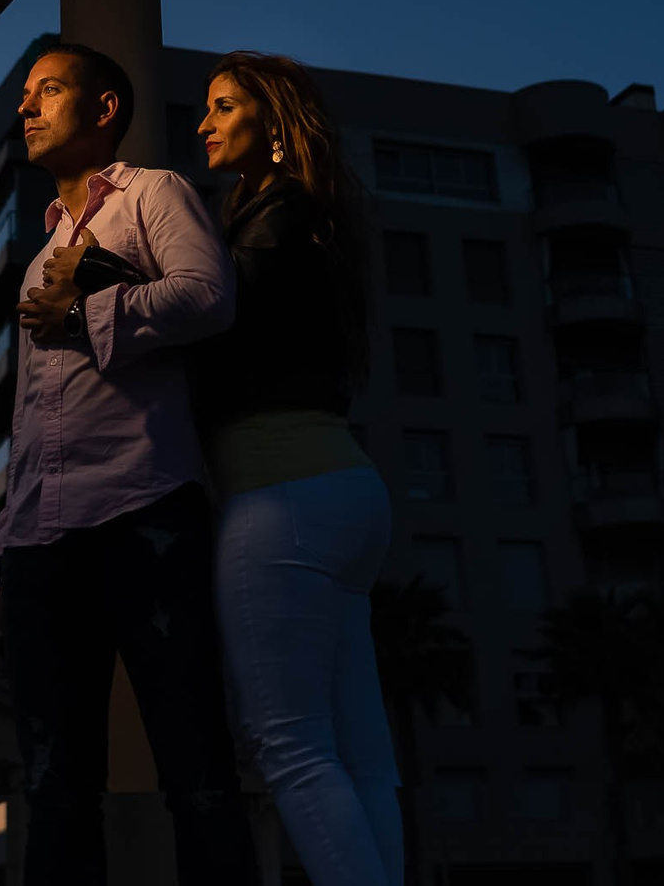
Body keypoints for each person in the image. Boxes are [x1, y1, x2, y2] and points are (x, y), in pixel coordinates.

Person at [0, 40, 261, 886]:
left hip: (146, 517)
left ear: (103, 109)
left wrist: (92, 310)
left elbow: (209, 294)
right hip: (42, 548)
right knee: (55, 790)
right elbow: (33, 426)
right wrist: (6, 558)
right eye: (25, 95)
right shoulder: (36, 259)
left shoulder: (153, 193)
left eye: (49, 90)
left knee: (198, 772)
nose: (26, 108)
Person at [186, 51, 402, 886]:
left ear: (271, 124)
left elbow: (209, 317)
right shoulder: (312, 214)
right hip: (345, 494)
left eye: (223, 105)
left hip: (282, 500)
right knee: (361, 755)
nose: (204, 122)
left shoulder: (270, 221)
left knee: (292, 748)